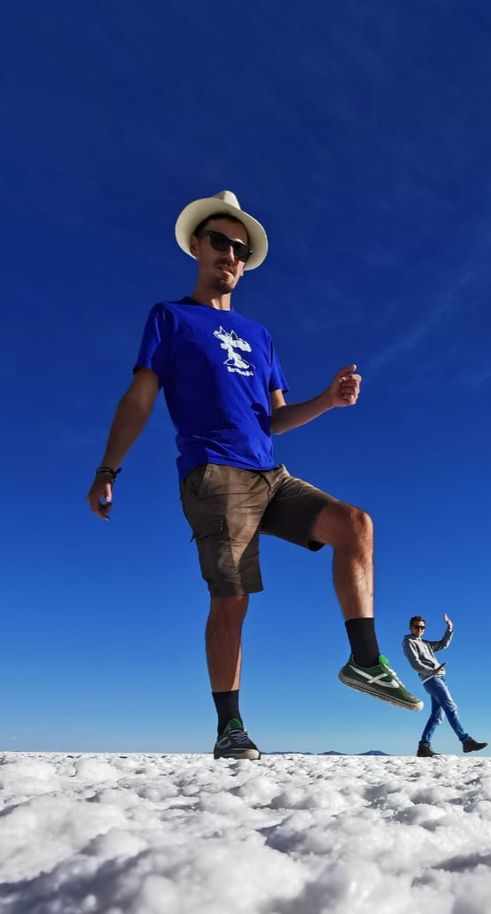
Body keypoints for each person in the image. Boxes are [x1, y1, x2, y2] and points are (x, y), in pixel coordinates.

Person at [87, 189, 423, 761]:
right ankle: (231, 727)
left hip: (271, 472)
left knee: (355, 524)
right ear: (196, 245)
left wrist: (328, 401)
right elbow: (141, 398)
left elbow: (274, 418)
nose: (230, 255)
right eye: (219, 241)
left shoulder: (260, 335)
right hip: (214, 473)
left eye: (240, 249)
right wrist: (108, 467)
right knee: (233, 599)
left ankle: (365, 660)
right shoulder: (170, 318)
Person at [402, 613, 487, 757]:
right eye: (416, 627)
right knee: (450, 706)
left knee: (437, 716)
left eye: (422, 627)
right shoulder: (409, 642)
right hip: (431, 679)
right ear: (410, 627)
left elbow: (443, 644)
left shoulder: (425, 643)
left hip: (439, 678)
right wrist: (432, 670)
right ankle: (466, 740)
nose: (420, 630)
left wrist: (449, 628)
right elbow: (415, 664)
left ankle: (423, 747)